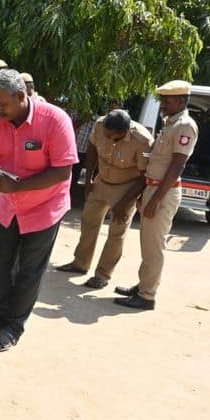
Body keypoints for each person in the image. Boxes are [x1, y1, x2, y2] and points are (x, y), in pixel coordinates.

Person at [0, 69, 79, 352]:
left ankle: (14, 326)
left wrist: (20, 187)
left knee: (29, 270)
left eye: (2, 104)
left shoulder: (54, 120)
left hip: (45, 208)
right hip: (8, 207)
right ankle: (0, 318)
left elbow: (63, 172)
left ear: (21, 96)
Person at [112, 80, 198, 310]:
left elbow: (177, 165)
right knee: (147, 242)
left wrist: (157, 198)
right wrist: (147, 194)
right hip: (154, 187)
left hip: (164, 190)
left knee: (154, 246)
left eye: (167, 101)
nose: (162, 104)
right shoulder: (171, 123)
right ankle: (143, 286)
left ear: (181, 101)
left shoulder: (184, 126)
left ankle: (147, 295)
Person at [56, 109, 154, 288]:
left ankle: (102, 275)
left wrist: (124, 204)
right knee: (88, 222)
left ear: (125, 132)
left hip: (126, 188)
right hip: (102, 182)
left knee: (117, 233)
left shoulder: (142, 140)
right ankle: (80, 264)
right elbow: (93, 148)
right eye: (107, 136)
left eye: (115, 138)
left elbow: (143, 176)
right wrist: (88, 181)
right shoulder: (100, 125)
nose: (110, 140)